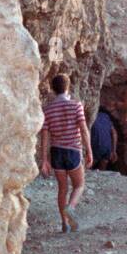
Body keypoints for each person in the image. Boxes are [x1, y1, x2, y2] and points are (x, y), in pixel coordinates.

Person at [39, 74, 94, 233]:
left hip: (56, 153)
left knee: (62, 188)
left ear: (53, 89)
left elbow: (45, 137)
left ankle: (65, 223)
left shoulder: (47, 110)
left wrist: (44, 160)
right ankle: (71, 207)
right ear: (68, 87)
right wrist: (89, 151)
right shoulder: (76, 106)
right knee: (79, 185)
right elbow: (83, 130)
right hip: (73, 151)